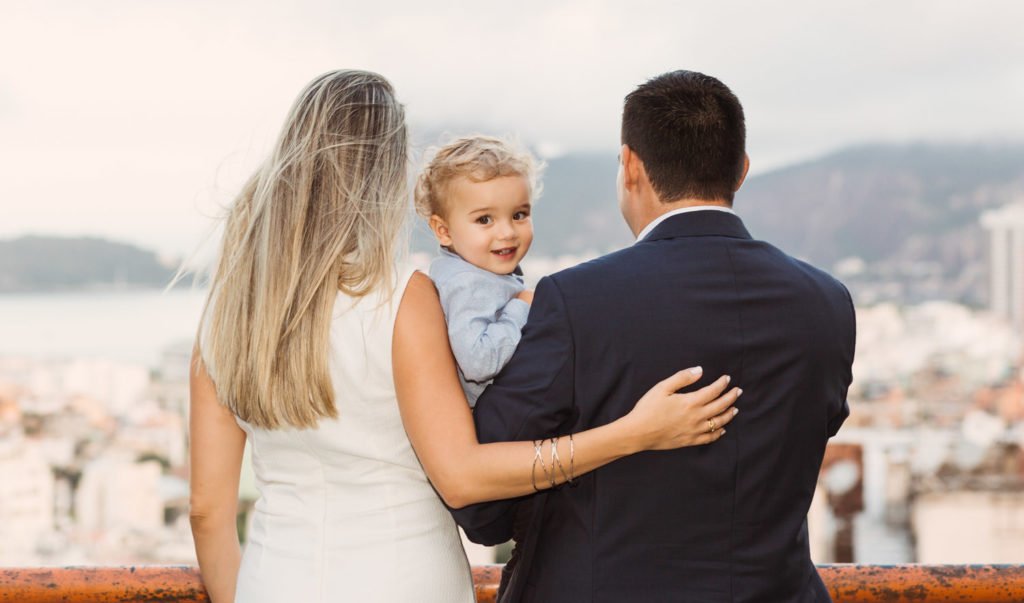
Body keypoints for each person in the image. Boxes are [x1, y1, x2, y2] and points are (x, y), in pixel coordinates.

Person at [188, 69, 743, 603]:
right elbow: (461, 477)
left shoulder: (228, 311)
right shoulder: (403, 297)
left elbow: (208, 513)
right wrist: (632, 434)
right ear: (387, 178)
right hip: (404, 583)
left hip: (271, 583)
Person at [453, 70, 856, 602]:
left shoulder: (578, 301)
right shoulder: (827, 303)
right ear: (741, 169)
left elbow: (483, 508)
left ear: (630, 167)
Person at [413, 136, 540, 406]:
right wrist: (521, 306)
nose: (507, 232)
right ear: (443, 231)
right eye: (484, 219)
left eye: (519, 215)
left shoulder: (472, 270)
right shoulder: (466, 283)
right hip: (493, 416)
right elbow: (478, 362)